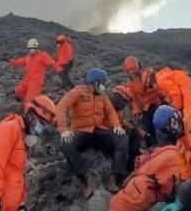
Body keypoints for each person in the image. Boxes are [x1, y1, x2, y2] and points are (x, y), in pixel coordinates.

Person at [56, 68, 128, 197]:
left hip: (99, 131)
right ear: (94, 82)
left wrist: (117, 126)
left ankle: (115, 177)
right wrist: (63, 130)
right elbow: (61, 107)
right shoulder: (78, 92)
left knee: (122, 138)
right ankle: (86, 177)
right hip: (81, 132)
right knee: (66, 144)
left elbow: (111, 111)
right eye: (102, 82)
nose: (103, 86)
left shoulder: (102, 95)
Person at [9, 38, 60, 111]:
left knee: (29, 99)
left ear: (36, 47)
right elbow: (21, 61)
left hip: (36, 81)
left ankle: (29, 112)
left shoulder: (43, 56)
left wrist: (59, 69)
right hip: (27, 79)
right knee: (18, 90)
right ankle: (34, 101)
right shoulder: (28, 57)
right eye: (29, 48)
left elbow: (52, 63)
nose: (30, 50)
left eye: (32, 48)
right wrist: (12, 62)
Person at [123, 56, 162, 147]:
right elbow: (134, 100)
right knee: (146, 124)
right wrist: (137, 111)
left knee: (165, 119)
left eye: (133, 69)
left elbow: (155, 88)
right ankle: (153, 144)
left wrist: (148, 84)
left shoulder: (148, 73)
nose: (132, 72)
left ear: (138, 65)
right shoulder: (131, 83)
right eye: (129, 71)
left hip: (156, 102)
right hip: (146, 107)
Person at [110, 85, 144, 171]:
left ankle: (131, 164)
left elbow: (125, 126)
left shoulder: (118, 113)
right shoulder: (105, 107)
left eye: (126, 102)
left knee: (134, 132)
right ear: (118, 97)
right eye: (124, 101)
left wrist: (144, 134)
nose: (124, 104)